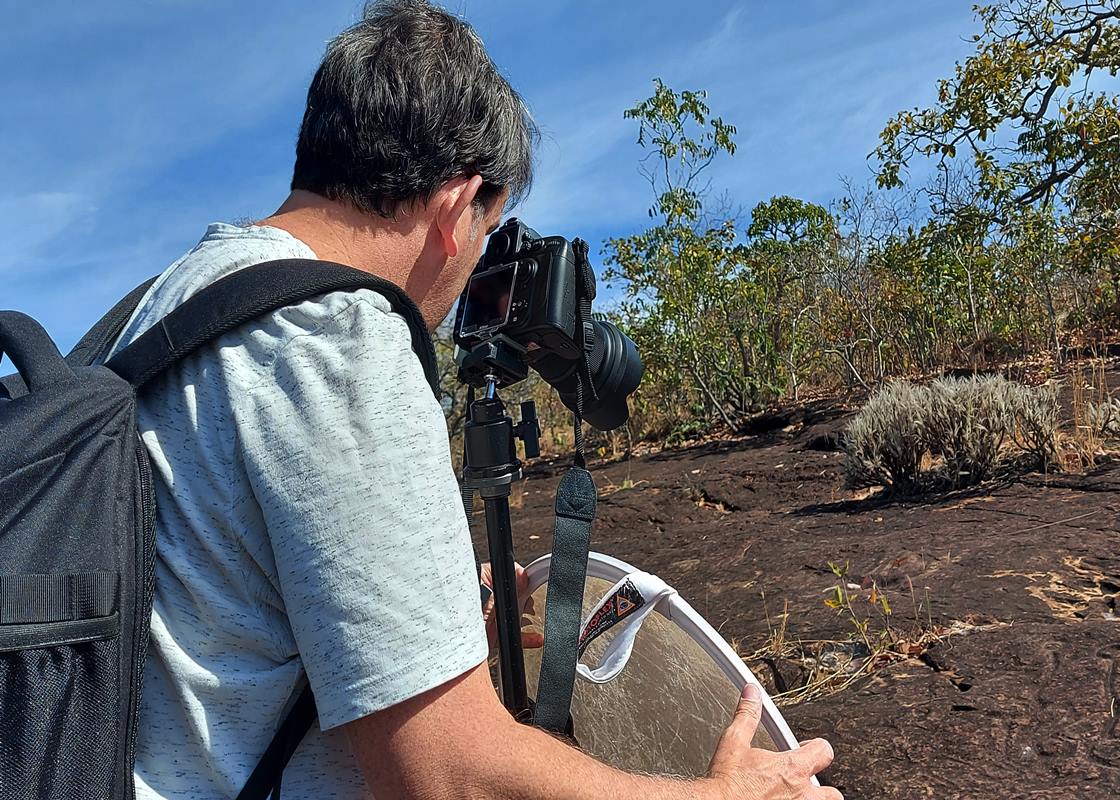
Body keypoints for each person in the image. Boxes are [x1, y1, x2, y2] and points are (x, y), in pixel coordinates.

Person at [116, 1, 841, 798]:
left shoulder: (172, 304)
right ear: (458, 211)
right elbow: (451, 779)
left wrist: (431, 612)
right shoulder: (341, 335)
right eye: (487, 234)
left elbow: (216, 601)